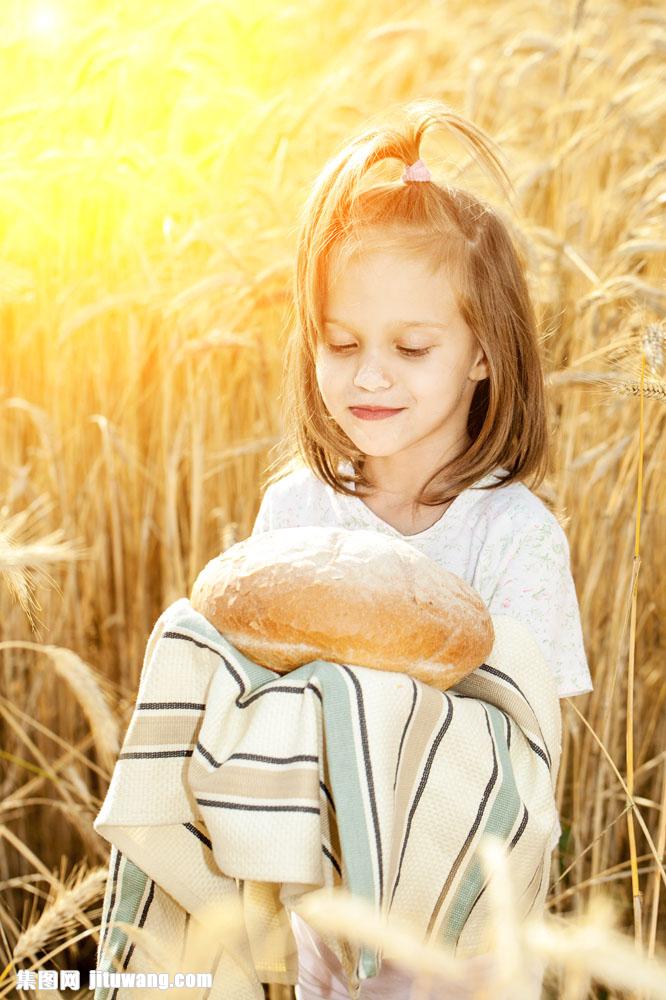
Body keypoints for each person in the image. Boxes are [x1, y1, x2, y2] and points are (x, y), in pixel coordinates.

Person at [249, 98, 593, 999]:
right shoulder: (294, 514)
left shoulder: (514, 537)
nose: (369, 374)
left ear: (483, 354)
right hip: (323, 917)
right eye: (341, 342)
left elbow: (528, 750)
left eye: (411, 346)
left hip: (465, 922)